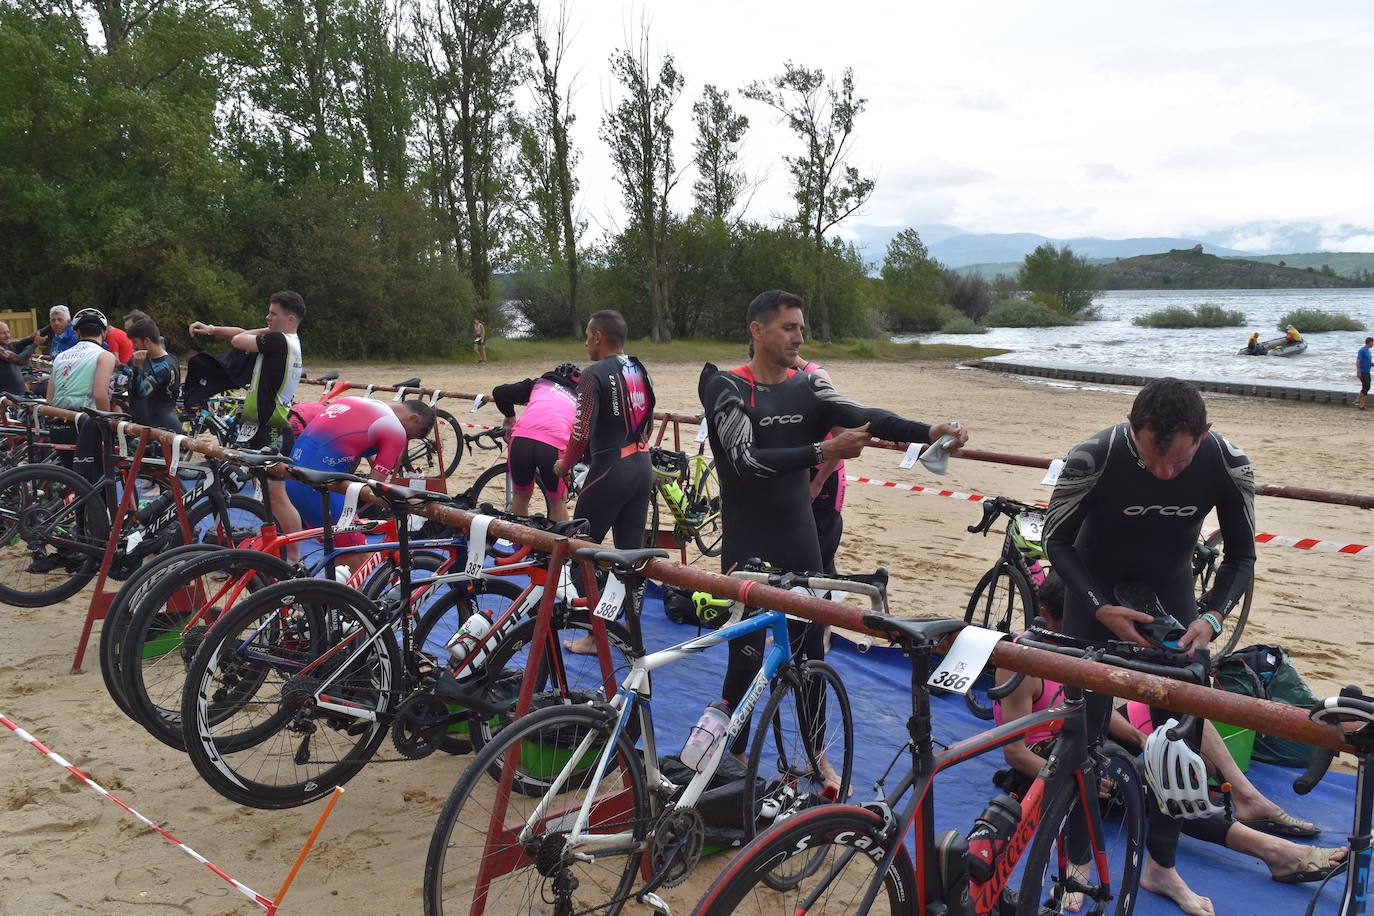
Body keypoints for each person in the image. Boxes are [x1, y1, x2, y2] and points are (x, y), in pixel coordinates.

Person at [698, 289, 967, 776]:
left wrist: (927, 430)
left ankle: (816, 755)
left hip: (800, 542)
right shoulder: (728, 387)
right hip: (748, 545)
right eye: (788, 327)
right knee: (745, 660)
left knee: (808, 658)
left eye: (802, 327)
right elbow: (745, 462)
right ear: (757, 331)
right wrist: (823, 453)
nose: (799, 336)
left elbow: (868, 416)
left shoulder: (808, 386)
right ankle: (730, 755)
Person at [1044, 377, 1256, 916]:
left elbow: (1241, 558)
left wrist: (1211, 615)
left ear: (1203, 435)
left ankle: (1162, 867)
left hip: (1174, 604)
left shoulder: (1227, 462)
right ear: (1132, 429)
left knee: (1179, 745)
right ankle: (1076, 865)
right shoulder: (1095, 456)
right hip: (1094, 604)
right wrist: (1096, 607)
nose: (1165, 472)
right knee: (1083, 739)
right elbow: (1056, 541)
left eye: (1178, 465)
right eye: (1152, 459)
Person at [994, 573, 1344, 898]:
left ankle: (1247, 796)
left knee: (1181, 717)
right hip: (1047, 760)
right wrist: (1074, 776)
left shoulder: (1086, 645)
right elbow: (1016, 752)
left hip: (1090, 737)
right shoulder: (1023, 658)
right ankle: (1275, 852)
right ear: (1046, 616)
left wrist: (1142, 739)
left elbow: (1092, 708)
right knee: (1164, 787)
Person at [188, 291, 306, 552]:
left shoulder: (280, 340)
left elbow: (240, 340)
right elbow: (242, 334)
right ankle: (274, 545)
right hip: (260, 426)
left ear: (290, 318)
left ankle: (294, 555)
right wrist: (211, 329)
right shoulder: (282, 339)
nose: (267, 317)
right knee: (263, 493)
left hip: (273, 428)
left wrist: (262, 329)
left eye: (273, 313)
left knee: (276, 496)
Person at [284, 396, 435, 567]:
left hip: (293, 477)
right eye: (408, 436)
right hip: (321, 488)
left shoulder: (355, 400)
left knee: (338, 556)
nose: (405, 440)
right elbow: (375, 487)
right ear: (413, 418)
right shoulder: (395, 430)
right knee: (358, 559)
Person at [552, 310, 655, 547]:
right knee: (629, 558)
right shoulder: (640, 369)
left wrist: (565, 464)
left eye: (588, 336)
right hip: (642, 467)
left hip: (611, 470)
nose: (586, 342)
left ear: (598, 336)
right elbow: (648, 422)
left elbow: (582, 430)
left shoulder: (592, 375)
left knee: (578, 551)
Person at [492, 362, 580, 522]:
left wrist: (510, 415)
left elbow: (500, 392)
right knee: (557, 502)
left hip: (521, 439)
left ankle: (517, 545)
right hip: (552, 444)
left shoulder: (540, 384)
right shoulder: (579, 399)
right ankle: (556, 545)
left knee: (521, 496)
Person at [126, 318, 181, 432]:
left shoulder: (162, 367)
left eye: (135, 342)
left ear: (146, 341)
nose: (133, 347)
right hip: (156, 423)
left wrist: (137, 367)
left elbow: (139, 394)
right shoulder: (170, 358)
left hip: (163, 427)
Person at [0, 321, 35, 396]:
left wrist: (50, 326)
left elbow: (26, 340)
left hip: (20, 396)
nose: (8, 335)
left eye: (8, 332)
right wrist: (35, 344)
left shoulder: (8, 345)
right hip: (7, 400)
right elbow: (20, 360)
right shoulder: (1, 351)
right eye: (3, 333)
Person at [1355, 336, 1372, 410]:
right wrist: (1358, 371)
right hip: (1362, 372)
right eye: (1373, 342)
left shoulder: (1368, 351)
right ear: (1370, 342)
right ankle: (1357, 400)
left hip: (1367, 372)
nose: (1373, 344)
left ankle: (1361, 405)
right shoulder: (1362, 350)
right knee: (1366, 387)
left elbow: (1368, 362)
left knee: (1366, 387)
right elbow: (1358, 361)